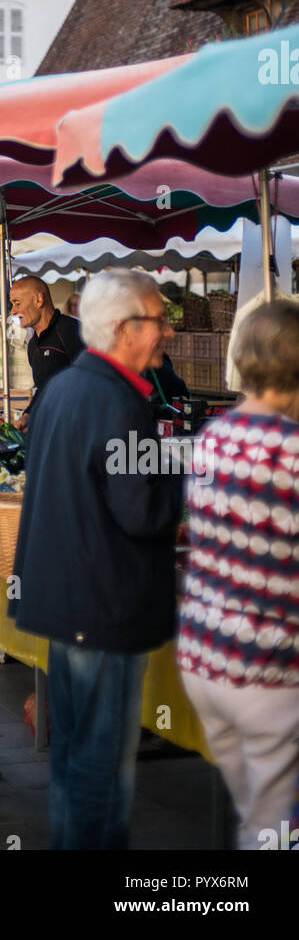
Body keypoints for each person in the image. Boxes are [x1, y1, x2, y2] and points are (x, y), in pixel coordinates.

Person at [14, 269, 182, 850]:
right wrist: (177, 481)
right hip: (102, 604)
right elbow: (141, 510)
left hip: (69, 599)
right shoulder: (116, 399)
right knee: (99, 765)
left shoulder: (67, 387)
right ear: (122, 328)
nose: (167, 332)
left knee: (76, 754)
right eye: (158, 320)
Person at [177, 300, 299, 850]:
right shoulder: (291, 450)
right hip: (267, 666)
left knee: (257, 813)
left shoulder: (214, 437)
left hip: (207, 657)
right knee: (271, 826)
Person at [9, 275, 84, 430]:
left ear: (39, 300)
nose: (12, 311)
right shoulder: (32, 345)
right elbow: (44, 389)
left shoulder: (71, 330)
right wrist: (28, 415)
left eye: (17, 303)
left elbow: (90, 383)